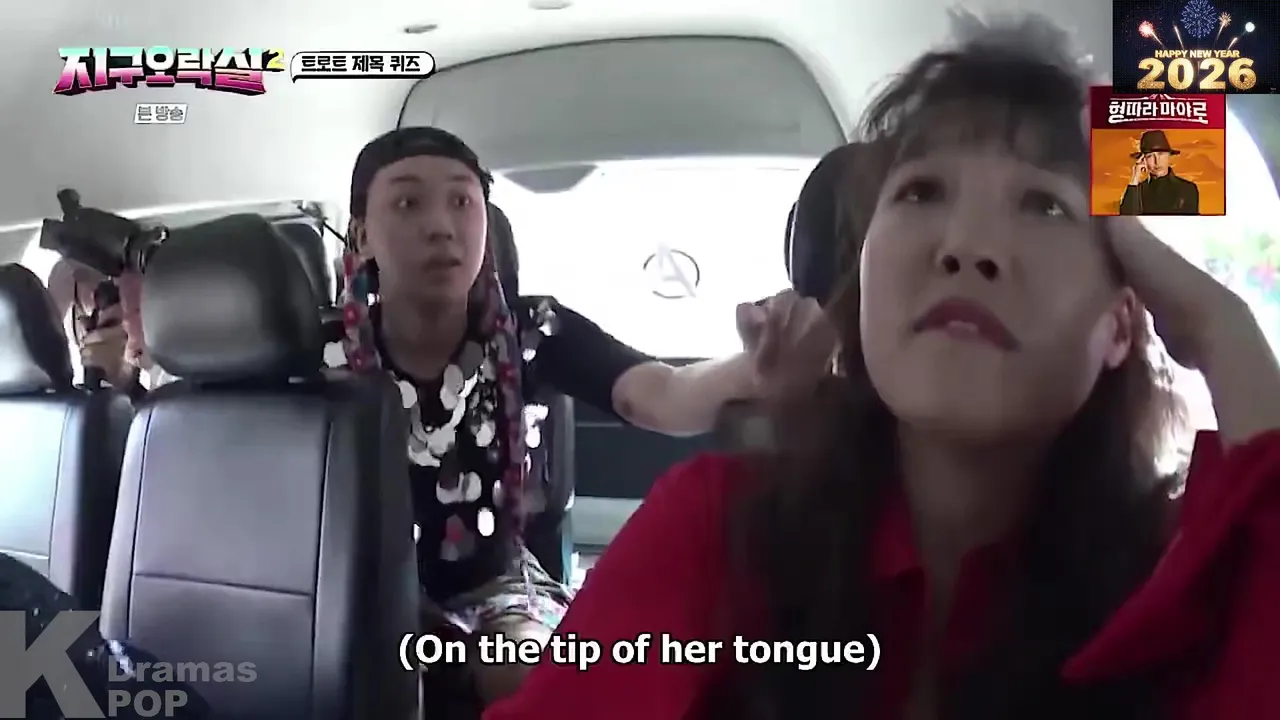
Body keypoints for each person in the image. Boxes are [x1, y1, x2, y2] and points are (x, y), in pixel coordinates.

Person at [483, 16, 1280, 720]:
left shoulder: (1180, 576)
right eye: (922, 191)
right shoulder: (720, 527)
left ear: (1121, 324)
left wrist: (1225, 330)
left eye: (1044, 205)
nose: (965, 246)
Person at [333, 126, 833, 705]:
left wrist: (755, 372)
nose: (441, 225)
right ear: (362, 235)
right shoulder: (318, 356)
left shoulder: (532, 330)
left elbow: (661, 391)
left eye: (462, 201)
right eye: (408, 203)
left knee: (526, 672)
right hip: (363, 588)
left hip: (498, 589)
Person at [1119, 130, 1200, 215]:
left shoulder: (1187, 189)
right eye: (1150, 156)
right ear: (1143, 160)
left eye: (1161, 154)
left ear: (1169, 156)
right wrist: (1135, 179)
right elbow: (1126, 219)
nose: (1157, 161)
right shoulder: (1138, 191)